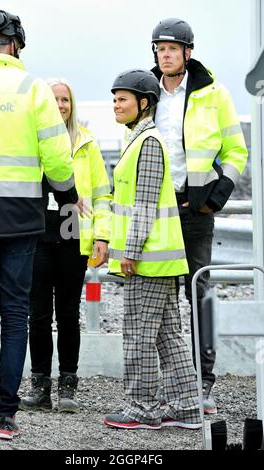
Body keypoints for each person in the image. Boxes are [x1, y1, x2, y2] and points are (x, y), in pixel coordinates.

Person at [0, 11, 77, 440]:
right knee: (15, 316)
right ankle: (4, 416)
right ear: (14, 45)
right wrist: (66, 196)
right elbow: (57, 156)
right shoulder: (32, 88)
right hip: (20, 217)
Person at [151, 18, 248, 413]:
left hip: (195, 212)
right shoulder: (146, 91)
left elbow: (236, 151)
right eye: (160, 48)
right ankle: (172, 383)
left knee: (198, 292)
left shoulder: (213, 93)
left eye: (173, 48)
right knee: (160, 300)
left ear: (188, 52)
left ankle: (202, 382)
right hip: (158, 211)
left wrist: (215, 197)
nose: (166, 54)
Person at [104, 69, 202, 430]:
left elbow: (144, 205)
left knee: (139, 335)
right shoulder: (141, 139)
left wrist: (129, 252)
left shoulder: (146, 142)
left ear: (143, 104)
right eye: (114, 98)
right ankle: (188, 407)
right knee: (167, 335)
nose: (116, 104)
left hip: (146, 259)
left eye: (123, 98)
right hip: (159, 258)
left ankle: (142, 409)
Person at [19, 78, 112, 413]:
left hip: (74, 235)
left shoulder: (87, 144)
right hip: (38, 235)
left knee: (69, 315)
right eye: (54, 99)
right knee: (38, 315)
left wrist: (102, 235)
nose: (59, 105)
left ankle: (68, 387)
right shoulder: (31, 142)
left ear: (72, 106)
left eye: (65, 100)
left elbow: (103, 195)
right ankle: (40, 387)